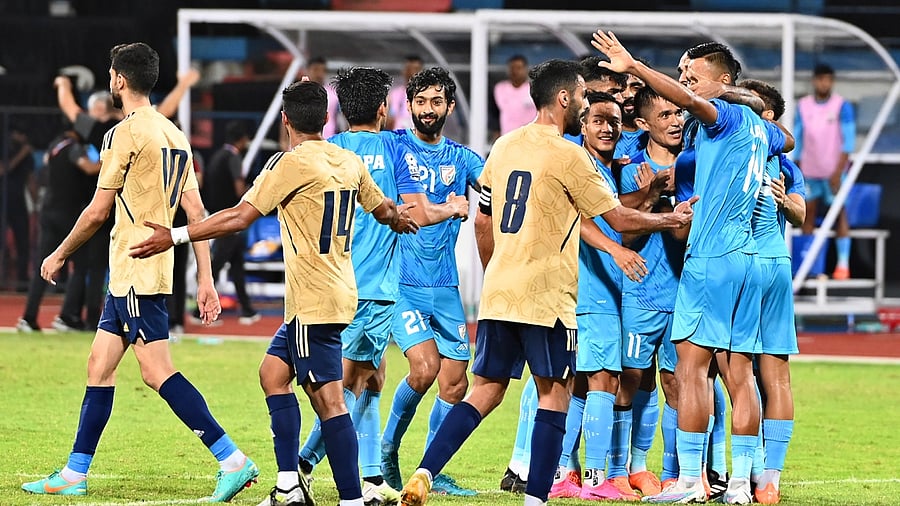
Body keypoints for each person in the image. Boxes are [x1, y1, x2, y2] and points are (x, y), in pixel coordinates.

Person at [399, 58, 696, 506]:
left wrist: (494, 270)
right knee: (554, 394)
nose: (584, 103)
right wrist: (669, 216)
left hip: (500, 291)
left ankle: (424, 470)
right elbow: (615, 216)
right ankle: (535, 498)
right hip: (547, 300)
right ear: (564, 99)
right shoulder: (570, 155)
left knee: (485, 391)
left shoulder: (504, 146)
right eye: (581, 96)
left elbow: (485, 216)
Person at [129, 77, 419, 506]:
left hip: (313, 301)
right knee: (272, 374)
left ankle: (352, 499)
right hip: (340, 293)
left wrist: (173, 236)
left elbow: (238, 217)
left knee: (331, 402)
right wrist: (400, 220)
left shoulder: (288, 164)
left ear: (284, 120)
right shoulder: (346, 161)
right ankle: (289, 487)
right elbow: (384, 209)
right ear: (326, 119)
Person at [22, 42, 258, 502]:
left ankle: (232, 459)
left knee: (156, 372)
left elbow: (96, 211)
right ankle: (75, 473)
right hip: (144, 271)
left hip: (136, 270)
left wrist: (58, 254)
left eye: (111, 76)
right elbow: (199, 212)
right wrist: (205, 276)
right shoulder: (175, 135)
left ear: (119, 80)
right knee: (99, 364)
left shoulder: (124, 134)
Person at [592, 33, 790, 504]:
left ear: (719, 82)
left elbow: (690, 101)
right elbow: (790, 137)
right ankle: (742, 483)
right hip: (750, 258)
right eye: (681, 74)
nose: (684, 86)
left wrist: (635, 66)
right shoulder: (763, 127)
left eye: (691, 76)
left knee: (692, 371)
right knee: (741, 373)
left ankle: (687, 481)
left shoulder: (720, 117)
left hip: (712, 260)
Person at [380, 67, 484, 498]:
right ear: (409, 106)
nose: (427, 110)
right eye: (420, 102)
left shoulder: (462, 158)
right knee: (423, 370)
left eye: (436, 102)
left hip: (445, 286)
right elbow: (414, 211)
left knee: (456, 382)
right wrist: (452, 206)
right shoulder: (394, 146)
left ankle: (430, 468)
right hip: (403, 282)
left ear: (449, 107)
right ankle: (387, 453)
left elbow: (501, 182)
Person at [616, 85, 685, 496]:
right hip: (639, 290)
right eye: (665, 115)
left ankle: (677, 469)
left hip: (685, 293)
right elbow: (624, 236)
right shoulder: (628, 169)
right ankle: (630, 467)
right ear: (642, 124)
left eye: (679, 112)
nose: (676, 120)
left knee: (679, 382)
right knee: (632, 380)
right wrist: (652, 196)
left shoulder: (694, 164)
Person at [740, 78, 806, 505]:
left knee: (742, 371)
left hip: (746, 265)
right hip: (775, 266)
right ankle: (766, 477)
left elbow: (800, 211)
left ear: (766, 117)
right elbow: (800, 214)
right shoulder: (781, 158)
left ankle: (757, 476)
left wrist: (783, 200)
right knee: (769, 375)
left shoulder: (742, 153)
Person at [17, 130, 99, 332]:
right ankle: (68, 316)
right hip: (68, 215)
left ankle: (28, 318)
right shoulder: (74, 148)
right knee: (80, 266)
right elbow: (88, 168)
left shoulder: (55, 145)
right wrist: (111, 161)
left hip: (49, 211)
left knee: (42, 265)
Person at [794, 63, 856, 280]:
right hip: (810, 173)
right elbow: (798, 140)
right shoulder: (803, 106)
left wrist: (838, 172)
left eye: (828, 79)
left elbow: (848, 142)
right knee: (807, 216)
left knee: (840, 215)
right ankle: (810, 266)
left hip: (833, 174)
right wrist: (798, 170)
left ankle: (842, 265)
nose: (824, 83)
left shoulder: (842, 106)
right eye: (821, 79)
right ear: (814, 80)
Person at [196, 120, 259, 325]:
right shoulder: (233, 158)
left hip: (216, 216)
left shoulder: (216, 156)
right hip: (230, 221)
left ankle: (247, 310)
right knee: (216, 265)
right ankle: (203, 311)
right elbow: (240, 190)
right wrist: (258, 189)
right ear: (241, 140)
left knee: (236, 265)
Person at [0, 125, 34, 292]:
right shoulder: (7, 149)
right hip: (2, 201)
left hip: (18, 202)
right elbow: (2, 169)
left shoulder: (27, 156)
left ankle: (22, 280)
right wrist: (21, 154)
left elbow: (30, 179)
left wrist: (35, 204)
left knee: (23, 242)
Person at [492, 54, 537, 140]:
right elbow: (497, 111)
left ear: (525, 70)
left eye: (518, 68)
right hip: (507, 137)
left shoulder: (534, 89)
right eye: (512, 68)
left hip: (529, 138)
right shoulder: (500, 88)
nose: (515, 71)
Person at [306, 56, 343, 138]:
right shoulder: (297, 93)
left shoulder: (334, 95)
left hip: (328, 140)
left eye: (322, 70)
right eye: (315, 69)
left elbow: (343, 118)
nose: (319, 74)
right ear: (307, 70)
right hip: (302, 143)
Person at [387, 55, 424, 130]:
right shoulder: (395, 94)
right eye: (409, 69)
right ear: (404, 71)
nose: (412, 73)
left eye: (416, 69)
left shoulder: (427, 95)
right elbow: (388, 120)